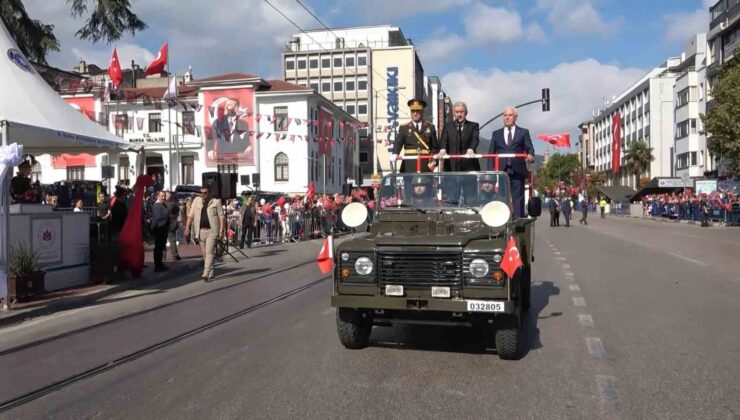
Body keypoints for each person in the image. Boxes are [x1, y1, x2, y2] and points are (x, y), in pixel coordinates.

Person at [486, 106, 535, 219]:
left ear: (516, 117)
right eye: (505, 115)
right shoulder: (496, 134)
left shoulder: (523, 132)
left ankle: (518, 227)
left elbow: (529, 148)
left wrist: (531, 155)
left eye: (510, 115)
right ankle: (503, 225)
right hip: (501, 172)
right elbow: (490, 154)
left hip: (517, 172)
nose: (507, 118)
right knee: (501, 200)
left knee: (518, 201)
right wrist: (489, 175)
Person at [184, 185, 224, 282]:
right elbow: (191, 215)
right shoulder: (197, 201)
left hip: (212, 231)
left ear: (209, 192)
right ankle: (211, 272)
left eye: (205, 193)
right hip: (200, 231)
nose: (203, 195)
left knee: (209, 252)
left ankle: (205, 273)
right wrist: (187, 227)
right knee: (205, 254)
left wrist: (221, 230)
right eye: (201, 193)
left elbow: (221, 216)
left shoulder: (216, 202)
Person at [391, 99, 439, 173]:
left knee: (425, 184)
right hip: (408, 165)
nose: (415, 113)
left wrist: (435, 162)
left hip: (425, 165)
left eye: (418, 111)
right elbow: (398, 142)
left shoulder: (430, 127)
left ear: (422, 111)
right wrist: (395, 153)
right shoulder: (404, 128)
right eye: (413, 111)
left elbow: (435, 148)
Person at [438, 101, 480, 172]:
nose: (459, 114)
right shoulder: (448, 127)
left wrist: (471, 149)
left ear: (466, 113)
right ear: (454, 113)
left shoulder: (473, 126)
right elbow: (443, 140)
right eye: (457, 112)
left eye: (461, 112)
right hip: (451, 167)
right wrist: (442, 150)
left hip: (468, 166)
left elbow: (475, 139)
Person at [151, 191, 170, 272]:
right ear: (158, 196)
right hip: (159, 229)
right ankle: (157, 265)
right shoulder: (156, 205)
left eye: (164, 196)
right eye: (162, 196)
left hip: (164, 229)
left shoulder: (163, 204)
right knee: (158, 247)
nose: (163, 198)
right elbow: (158, 218)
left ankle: (160, 263)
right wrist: (167, 219)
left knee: (161, 247)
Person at [165, 191, 182, 261]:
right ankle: (175, 255)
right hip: (172, 223)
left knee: (163, 240)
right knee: (172, 240)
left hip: (164, 224)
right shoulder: (173, 204)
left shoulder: (163, 204)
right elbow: (178, 211)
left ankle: (163, 255)